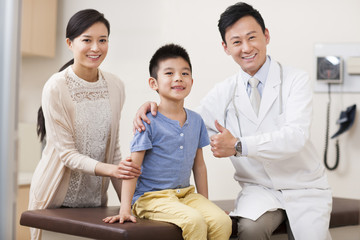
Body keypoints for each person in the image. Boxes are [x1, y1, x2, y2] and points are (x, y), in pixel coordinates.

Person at [133, 3, 332, 240]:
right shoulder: (224, 92)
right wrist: (153, 107)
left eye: (252, 37)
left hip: (304, 188)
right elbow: (186, 120)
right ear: (225, 48)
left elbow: (296, 137)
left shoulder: (295, 80)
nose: (246, 48)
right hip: (259, 191)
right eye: (236, 42)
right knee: (248, 231)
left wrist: (239, 146)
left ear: (266, 36)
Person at [29, 9, 141, 240]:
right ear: (70, 43)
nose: (96, 48)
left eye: (102, 40)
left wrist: (128, 206)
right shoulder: (56, 87)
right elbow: (67, 155)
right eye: (87, 40)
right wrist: (113, 169)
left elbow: (114, 152)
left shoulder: (115, 85)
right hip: (53, 203)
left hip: (95, 205)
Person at [103, 44, 232, 240]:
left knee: (222, 221)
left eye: (184, 73)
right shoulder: (147, 121)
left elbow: (199, 167)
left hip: (186, 194)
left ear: (191, 80)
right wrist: (125, 208)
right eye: (169, 73)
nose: (178, 78)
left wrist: (207, 205)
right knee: (194, 221)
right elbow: (133, 168)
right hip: (151, 198)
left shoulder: (196, 120)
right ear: (153, 83)